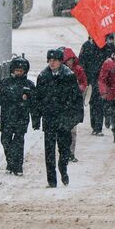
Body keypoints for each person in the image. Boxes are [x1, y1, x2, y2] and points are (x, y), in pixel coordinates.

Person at [32, 48, 83, 188]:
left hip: (64, 117)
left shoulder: (69, 75)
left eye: (55, 60)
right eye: (50, 60)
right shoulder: (43, 76)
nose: (52, 63)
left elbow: (76, 97)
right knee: (49, 150)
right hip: (49, 117)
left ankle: (63, 167)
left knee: (64, 147)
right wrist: (36, 118)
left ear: (61, 61)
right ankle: (51, 180)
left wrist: (77, 115)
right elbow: (38, 99)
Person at [0, 56, 36, 175]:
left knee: (18, 142)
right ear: (12, 71)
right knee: (5, 140)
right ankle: (10, 162)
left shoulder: (28, 85)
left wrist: (35, 119)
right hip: (7, 117)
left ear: (25, 71)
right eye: (16, 70)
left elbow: (34, 104)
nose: (19, 72)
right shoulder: (4, 83)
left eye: (21, 70)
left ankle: (18, 166)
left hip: (22, 118)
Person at [79, 34, 112, 136]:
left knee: (101, 102)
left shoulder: (107, 47)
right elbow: (81, 62)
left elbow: (110, 60)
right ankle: (95, 126)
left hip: (103, 79)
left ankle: (99, 126)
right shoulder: (86, 46)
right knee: (93, 102)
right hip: (91, 78)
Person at [61, 47, 88, 161]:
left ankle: (71, 152)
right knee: (64, 130)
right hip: (63, 104)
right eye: (67, 60)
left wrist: (79, 89)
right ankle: (65, 151)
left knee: (72, 130)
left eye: (71, 60)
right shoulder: (61, 71)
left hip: (74, 104)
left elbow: (84, 83)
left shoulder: (79, 70)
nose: (69, 62)